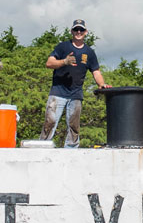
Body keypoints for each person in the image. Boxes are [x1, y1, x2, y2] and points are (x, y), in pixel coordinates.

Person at [41, 19, 107, 148]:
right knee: (50, 121)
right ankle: (43, 147)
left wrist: (101, 84)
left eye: (81, 30)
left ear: (85, 32)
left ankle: (71, 150)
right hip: (58, 92)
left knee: (74, 125)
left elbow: (96, 71)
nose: (78, 32)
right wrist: (64, 62)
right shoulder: (63, 47)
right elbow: (49, 63)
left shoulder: (89, 52)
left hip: (76, 94)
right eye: (76, 29)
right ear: (71, 31)